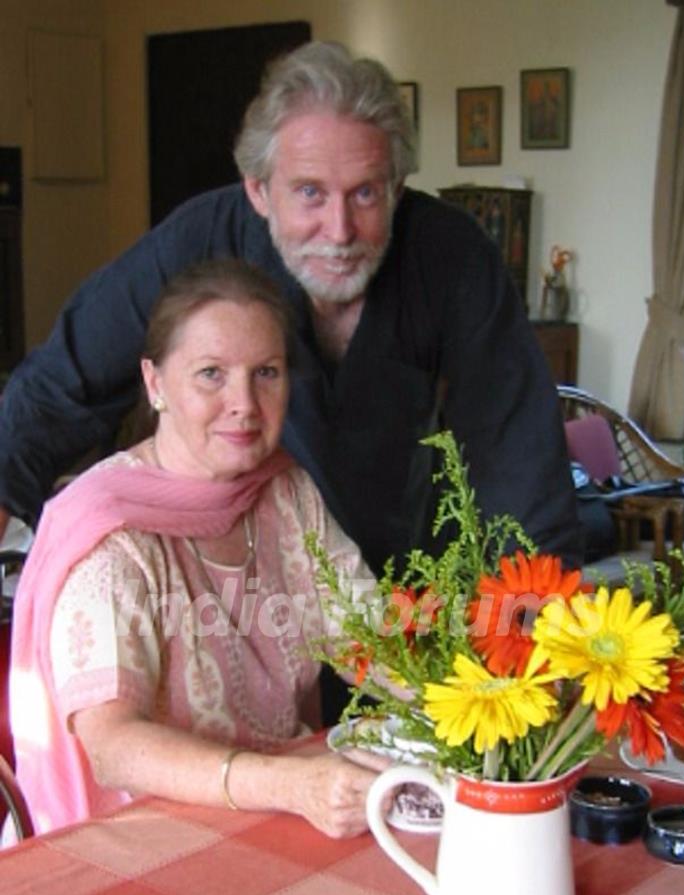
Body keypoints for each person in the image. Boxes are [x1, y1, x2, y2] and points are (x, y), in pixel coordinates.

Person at [0, 41, 579, 587]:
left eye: (364, 194)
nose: (339, 231)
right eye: (309, 193)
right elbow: (58, 385)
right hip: (235, 590)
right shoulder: (200, 240)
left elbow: (518, 454)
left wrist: (531, 626)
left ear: (397, 190)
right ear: (257, 190)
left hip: (398, 590)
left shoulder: (452, 256)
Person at [7, 259, 387, 839]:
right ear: (155, 383)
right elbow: (113, 746)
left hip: (285, 810)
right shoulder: (111, 535)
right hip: (141, 836)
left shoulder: (287, 493)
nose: (245, 403)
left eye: (267, 373)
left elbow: (374, 639)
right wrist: (290, 784)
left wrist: (486, 695)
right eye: (212, 373)